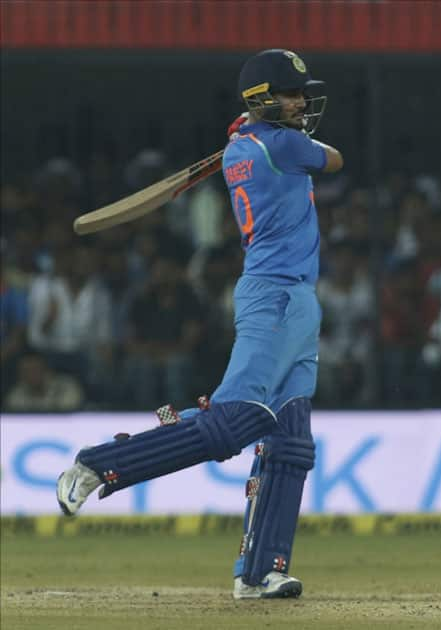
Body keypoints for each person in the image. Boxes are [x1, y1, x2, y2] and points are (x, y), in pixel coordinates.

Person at [57, 49, 343, 599]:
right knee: (232, 424)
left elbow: (287, 147)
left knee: (291, 442)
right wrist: (267, 130)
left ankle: (260, 573)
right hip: (278, 298)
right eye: (291, 94)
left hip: (292, 299)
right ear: (261, 100)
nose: (302, 103)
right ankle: (98, 465)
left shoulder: (246, 147)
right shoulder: (281, 143)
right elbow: (335, 159)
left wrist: (249, 129)